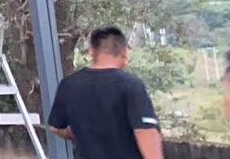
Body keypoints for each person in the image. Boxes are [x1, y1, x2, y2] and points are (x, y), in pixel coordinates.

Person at [48, 26, 164, 159]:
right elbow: (146, 131)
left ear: (91, 51)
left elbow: (56, 127)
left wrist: (83, 133)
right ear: (125, 53)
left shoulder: (69, 84)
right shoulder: (131, 85)